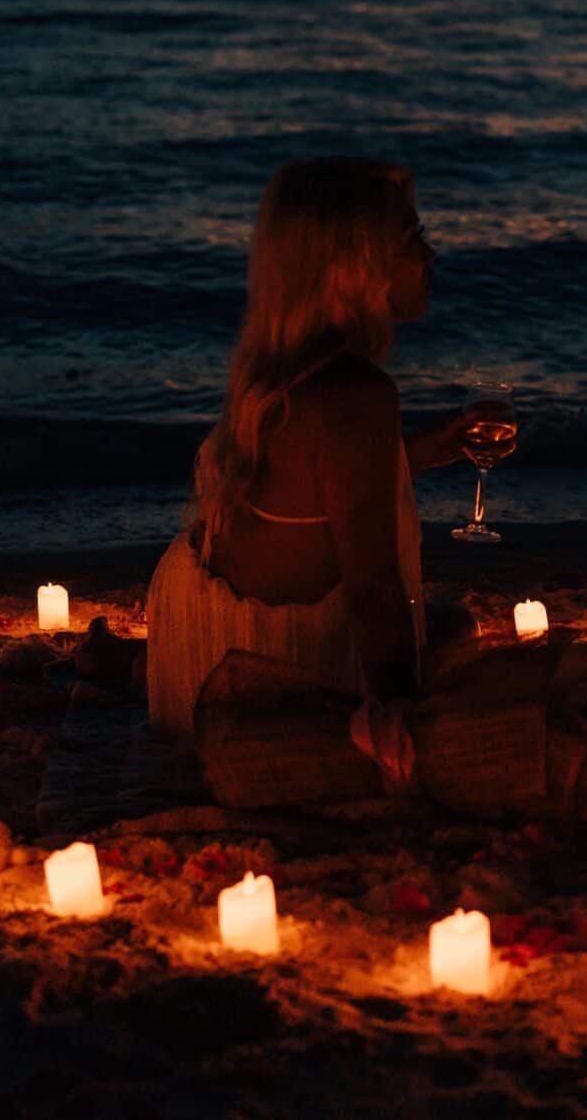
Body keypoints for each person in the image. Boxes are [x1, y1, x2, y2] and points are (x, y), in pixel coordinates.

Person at [145, 157, 474, 738]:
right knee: (454, 638)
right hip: (253, 672)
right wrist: (398, 722)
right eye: (412, 240)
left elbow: (311, 482)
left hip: (192, 624)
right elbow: (374, 594)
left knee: (446, 626)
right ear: (355, 267)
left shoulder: (284, 362)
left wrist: (417, 453)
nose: (430, 257)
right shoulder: (357, 393)